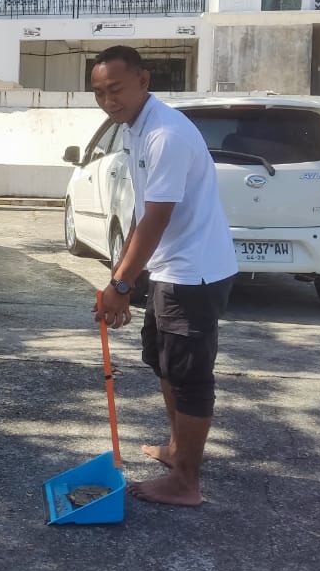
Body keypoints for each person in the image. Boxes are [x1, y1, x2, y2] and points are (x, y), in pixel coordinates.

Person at [91, 45, 236, 507]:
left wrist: (119, 286)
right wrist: (125, 278)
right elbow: (140, 214)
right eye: (99, 92)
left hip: (193, 273)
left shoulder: (165, 134)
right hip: (170, 269)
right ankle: (177, 452)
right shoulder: (137, 129)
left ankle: (186, 481)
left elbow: (157, 217)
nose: (108, 100)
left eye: (116, 89)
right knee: (164, 362)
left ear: (143, 81)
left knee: (190, 375)